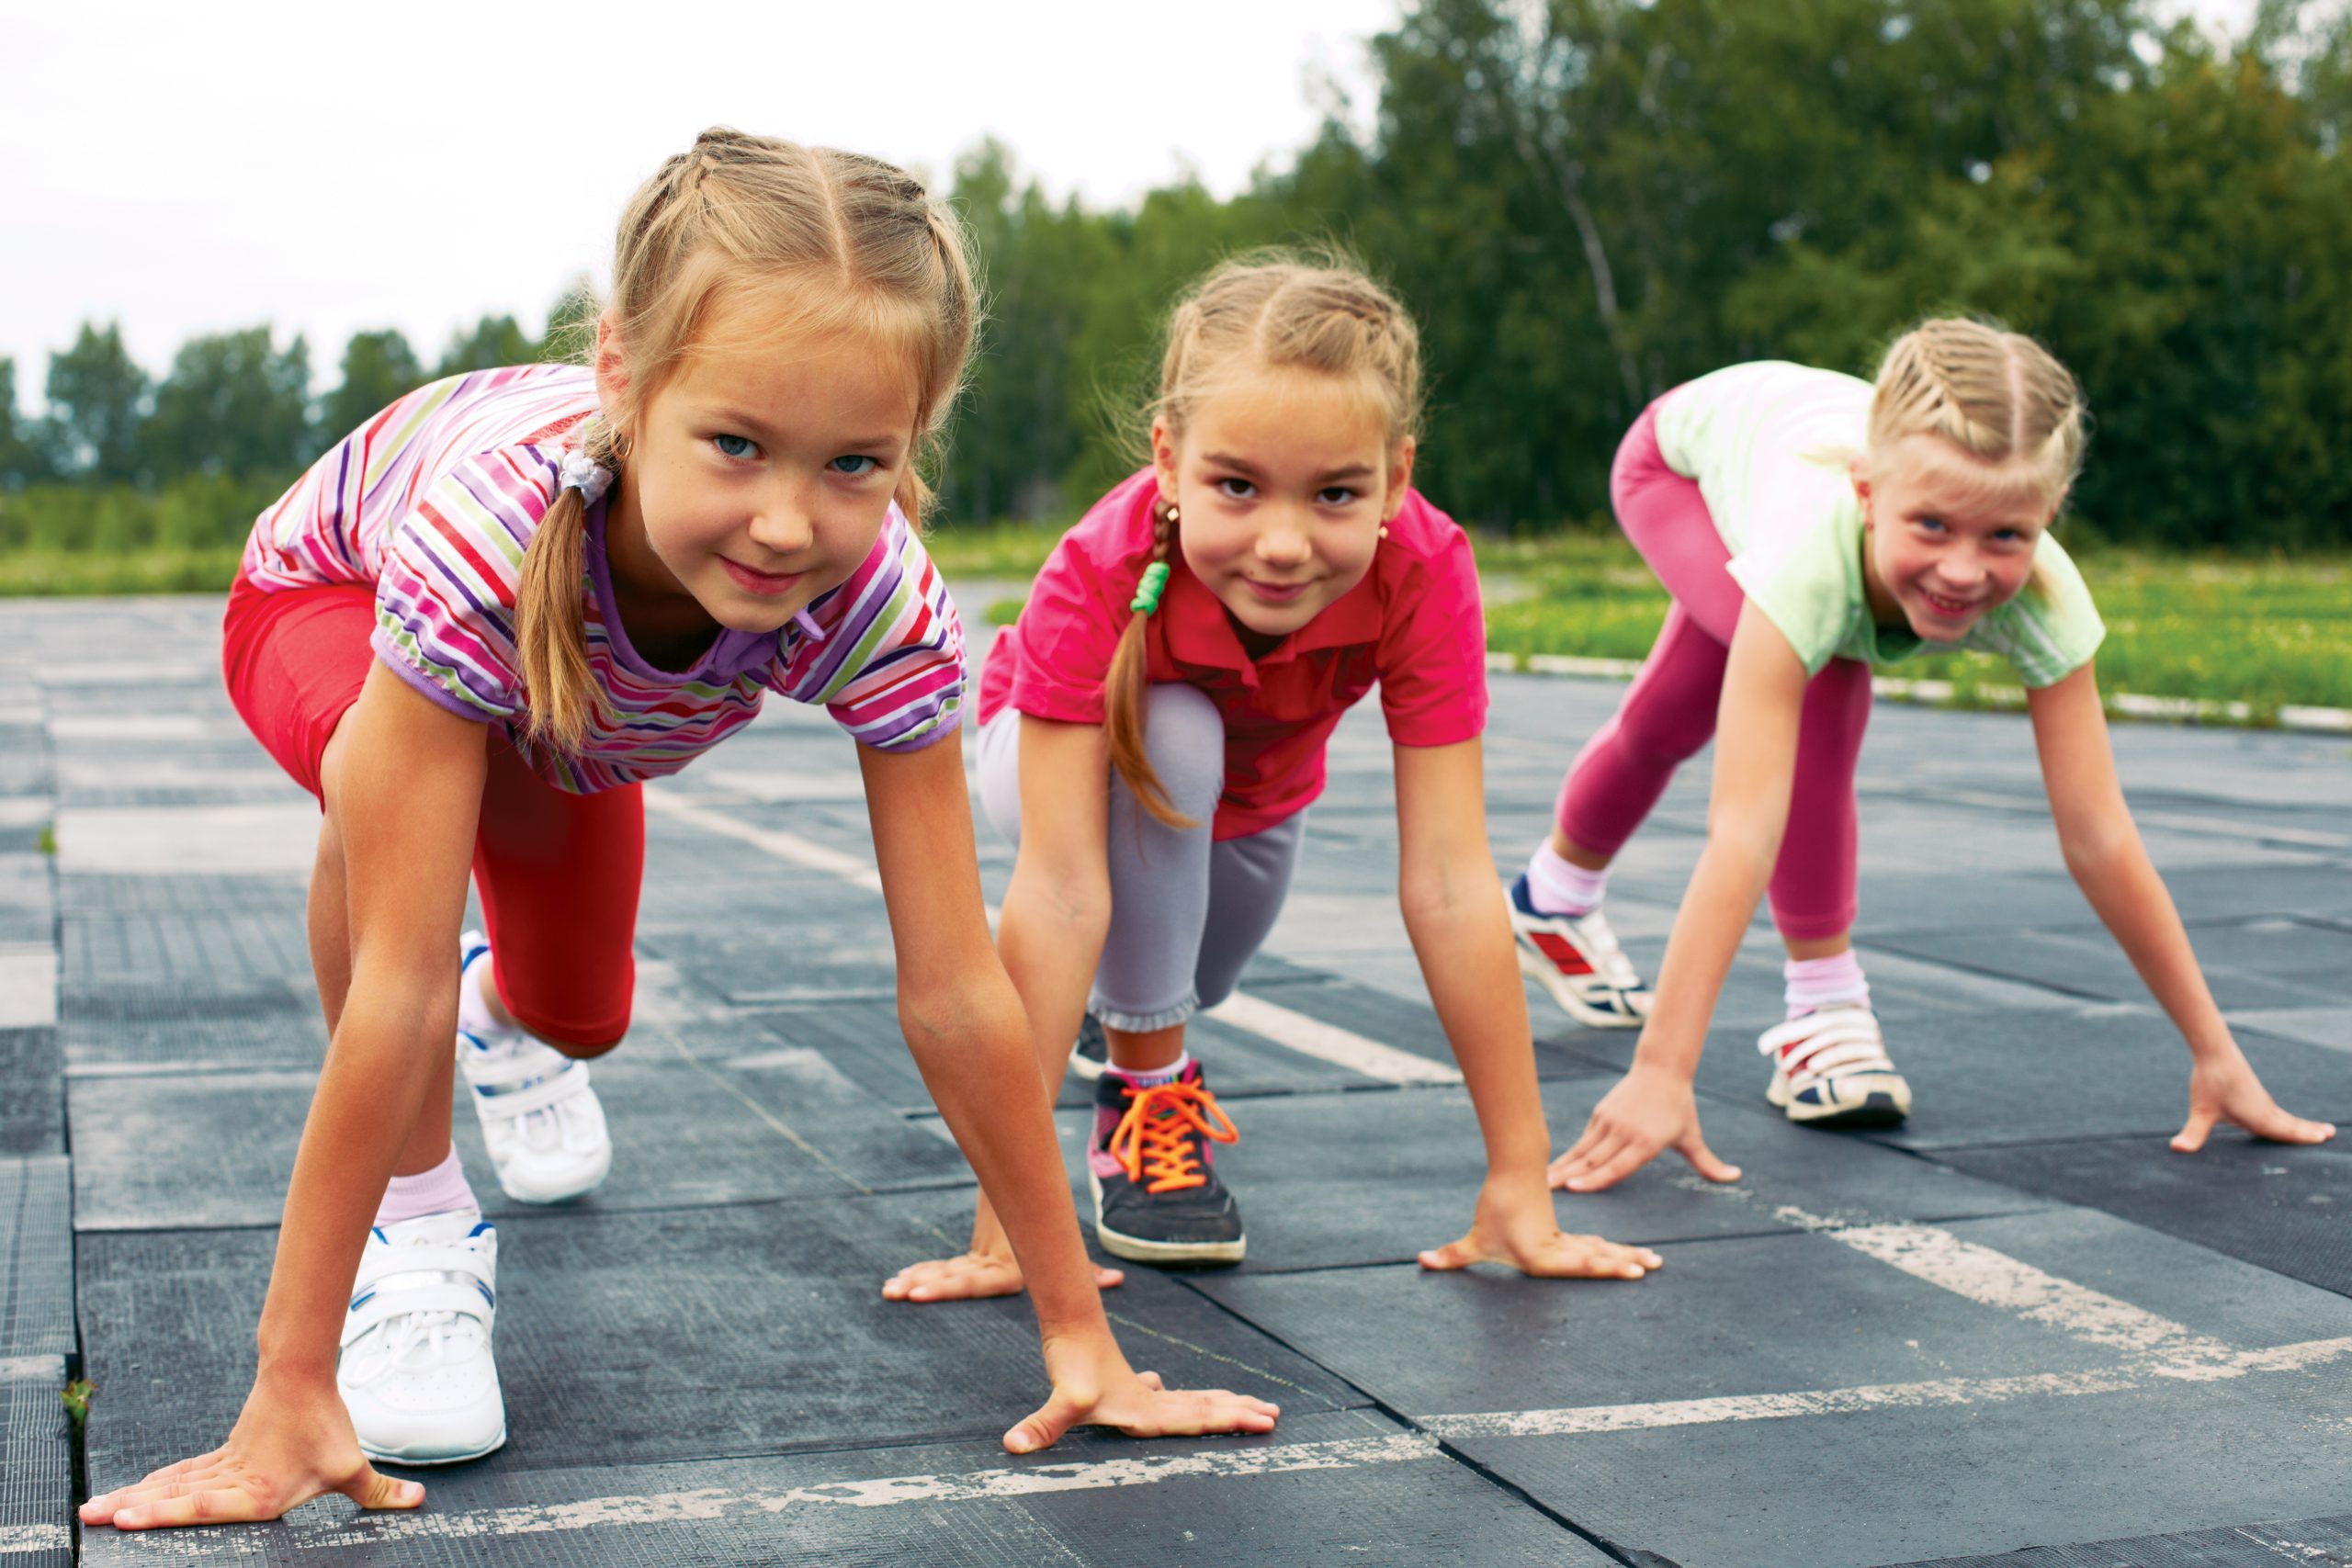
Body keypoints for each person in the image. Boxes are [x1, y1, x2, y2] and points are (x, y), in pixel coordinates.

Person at [79, 129, 1278, 1535]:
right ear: (624, 380)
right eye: (733, 445)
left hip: (563, 712)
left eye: (854, 462)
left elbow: (956, 983)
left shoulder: (880, 603)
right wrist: (287, 1383)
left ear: (913, 442)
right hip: (335, 597)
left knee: (582, 1018)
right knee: (385, 814)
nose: (785, 520)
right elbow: (387, 983)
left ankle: (505, 1015)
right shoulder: (488, 541)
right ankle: (421, 1243)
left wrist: (1082, 1333)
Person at [883, 254, 1662, 1303]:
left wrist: (1520, 1181)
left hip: (1256, 801)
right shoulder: (1099, 570)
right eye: (1236, 487)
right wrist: (1002, 1234)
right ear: (1168, 461)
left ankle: (1121, 1016)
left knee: (1184, 978)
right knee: (1172, 741)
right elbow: (1062, 891)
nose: (1284, 544)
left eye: (1334, 493)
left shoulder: (1425, 571)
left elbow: (1447, 878)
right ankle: (1146, 1096)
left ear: (1394, 478)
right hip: (1045, 759)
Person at [1511, 321, 2336, 1195]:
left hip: (1782, 452)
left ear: (2048, 516)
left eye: (2005, 537)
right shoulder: (1807, 557)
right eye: (1933, 525)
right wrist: (1662, 1071)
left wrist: (2216, 1050)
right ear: (1867, 493)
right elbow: (1744, 829)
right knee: (1811, 676)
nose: (1963, 570)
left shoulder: (2048, 602)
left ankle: (1551, 899)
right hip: (1676, 465)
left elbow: (2100, 836)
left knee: (1679, 709)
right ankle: (1821, 1009)